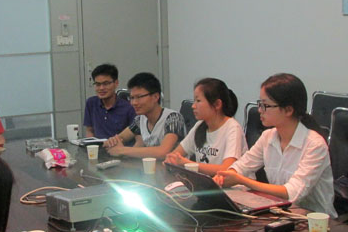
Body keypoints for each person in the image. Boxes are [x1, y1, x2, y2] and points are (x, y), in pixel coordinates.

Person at [214, 73, 337, 218]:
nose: (259, 110)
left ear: (288, 110)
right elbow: (242, 166)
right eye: (259, 104)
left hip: (316, 221)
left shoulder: (315, 145)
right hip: (282, 213)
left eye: (265, 105)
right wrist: (227, 175)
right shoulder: (268, 137)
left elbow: (291, 193)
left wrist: (241, 180)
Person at [165, 78, 247, 176]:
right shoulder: (199, 125)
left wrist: (187, 163)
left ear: (217, 104)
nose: (193, 106)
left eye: (198, 101)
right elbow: (176, 154)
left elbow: (227, 169)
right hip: (206, 183)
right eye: (194, 101)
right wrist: (171, 159)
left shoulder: (232, 128)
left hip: (234, 185)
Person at [104, 72, 186, 159]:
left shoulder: (173, 118)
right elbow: (120, 138)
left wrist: (122, 150)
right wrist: (112, 142)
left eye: (139, 97)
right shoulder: (140, 120)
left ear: (155, 97)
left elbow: (163, 152)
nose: (134, 103)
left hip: (173, 167)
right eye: (132, 98)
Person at [83, 63, 136, 139]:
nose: (101, 88)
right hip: (97, 145)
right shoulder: (91, 103)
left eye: (106, 84)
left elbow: (135, 135)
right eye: (98, 84)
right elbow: (89, 130)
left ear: (116, 83)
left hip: (120, 145)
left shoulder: (129, 108)